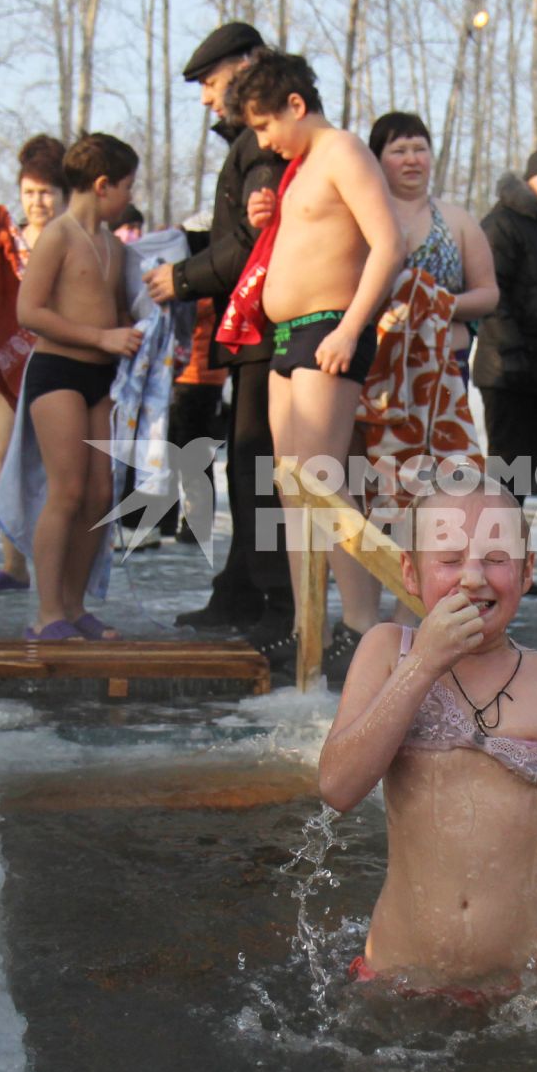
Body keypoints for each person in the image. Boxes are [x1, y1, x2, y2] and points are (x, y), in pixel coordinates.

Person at [317, 478, 537, 993]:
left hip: (520, 989)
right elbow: (337, 787)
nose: (474, 578)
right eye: (451, 560)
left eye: (496, 558)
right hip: (394, 977)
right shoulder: (389, 651)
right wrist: (425, 662)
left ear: (527, 573)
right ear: (411, 573)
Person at [218, 49, 405, 674]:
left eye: (266, 126)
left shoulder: (344, 150)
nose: (263, 140)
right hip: (287, 335)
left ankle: (359, 626)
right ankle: (309, 627)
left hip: (330, 327)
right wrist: (263, 218)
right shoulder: (297, 168)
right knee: (293, 488)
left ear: (296, 105)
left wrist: (353, 327)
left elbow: (388, 244)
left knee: (323, 483)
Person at [146, 23, 290, 640]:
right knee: (247, 465)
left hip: (267, 325)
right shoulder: (249, 142)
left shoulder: (260, 144)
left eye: (210, 81)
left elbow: (252, 245)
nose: (206, 97)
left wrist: (180, 277)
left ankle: (276, 607)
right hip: (252, 327)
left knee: (261, 467)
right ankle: (240, 589)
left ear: (248, 64)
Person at [355, 110, 496, 618]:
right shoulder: (362, 214)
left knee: (438, 495)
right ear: (376, 158)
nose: (412, 159)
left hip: (442, 379)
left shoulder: (456, 220)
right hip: (376, 380)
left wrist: (432, 304)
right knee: (374, 495)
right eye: (398, 149)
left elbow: (488, 293)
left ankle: (420, 609)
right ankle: (365, 617)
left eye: (420, 147)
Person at [15, 133, 142, 640]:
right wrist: (100, 335)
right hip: (59, 373)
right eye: (128, 186)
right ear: (103, 184)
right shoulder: (58, 235)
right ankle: (47, 611)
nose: (132, 197)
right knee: (66, 490)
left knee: (98, 493)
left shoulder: (114, 244)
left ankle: (73, 603)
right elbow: (29, 311)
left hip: (102, 378)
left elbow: (119, 308)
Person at [0, 135, 68, 589]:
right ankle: (13, 562)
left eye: (46, 192)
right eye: (29, 192)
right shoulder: (5, 240)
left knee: (56, 467)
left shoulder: (71, 237)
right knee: (0, 454)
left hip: (59, 364)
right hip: (10, 367)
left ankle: (60, 565)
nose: (37, 202)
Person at [477, 147, 537, 569]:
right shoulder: (503, 224)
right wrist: (514, 352)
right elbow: (492, 294)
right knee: (505, 472)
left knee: (521, 477)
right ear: (531, 180)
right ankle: (488, 561)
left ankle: (508, 565)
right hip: (506, 369)